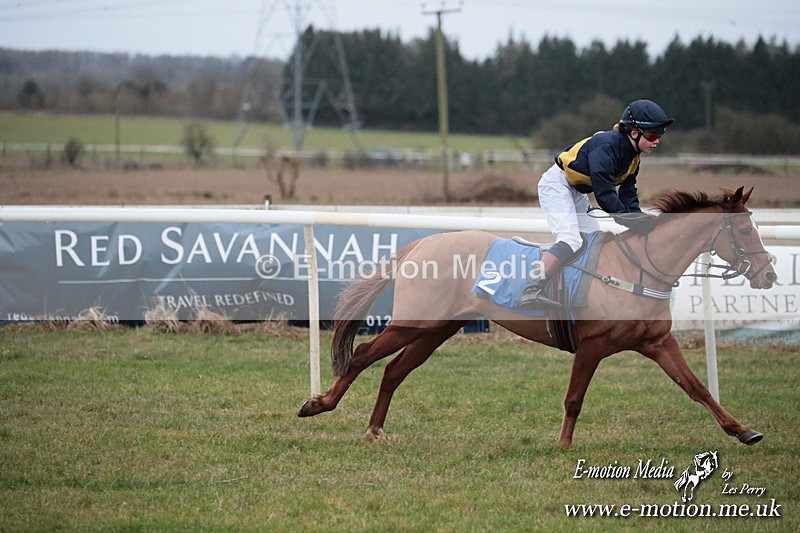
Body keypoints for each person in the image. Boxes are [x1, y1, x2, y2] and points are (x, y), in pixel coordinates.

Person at [519, 99, 673, 309]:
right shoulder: (606, 145)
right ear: (634, 133)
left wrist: (640, 219)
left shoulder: (633, 158)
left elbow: (628, 195)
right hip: (556, 185)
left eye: (660, 136)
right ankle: (531, 289)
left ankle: (578, 290)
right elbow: (605, 195)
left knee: (593, 240)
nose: (657, 141)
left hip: (576, 191)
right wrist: (633, 222)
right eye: (653, 136)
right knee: (571, 240)